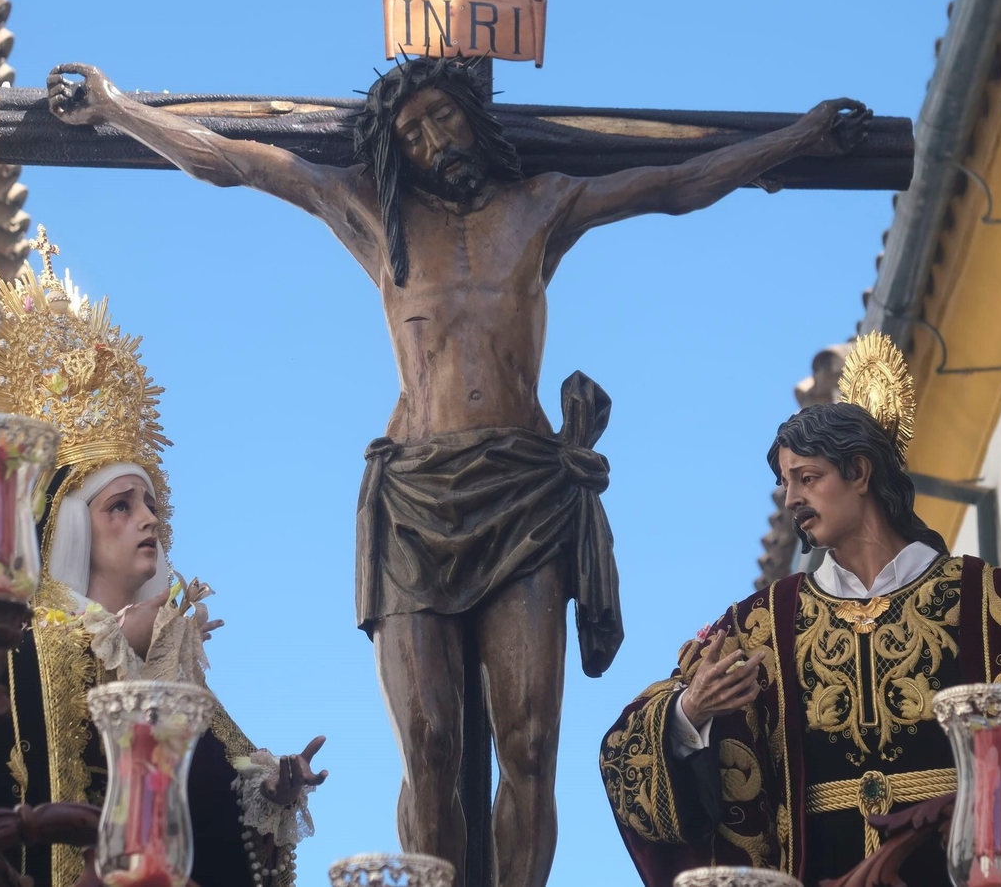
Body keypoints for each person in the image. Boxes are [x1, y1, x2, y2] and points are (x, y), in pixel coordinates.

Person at [46, 53, 869, 887]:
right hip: (415, 497)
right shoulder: (371, 212)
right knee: (430, 744)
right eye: (412, 132)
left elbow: (675, 181)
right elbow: (236, 161)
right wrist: (116, 107)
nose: (435, 139)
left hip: (524, 490)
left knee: (530, 744)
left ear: (476, 118)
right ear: (392, 152)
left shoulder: (541, 206)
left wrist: (795, 138)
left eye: (445, 117)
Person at [600, 334, 1001, 887]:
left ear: (860, 473)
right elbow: (625, 751)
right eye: (785, 483)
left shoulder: (993, 600)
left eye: (808, 478)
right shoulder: (761, 625)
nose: (791, 500)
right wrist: (690, 711)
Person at [0, 237, 327, 887]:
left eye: (149, 502)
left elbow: (217, 828)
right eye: (120, 505)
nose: (148, 518)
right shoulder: (2, 645)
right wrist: (105, 644)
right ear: (68, 530)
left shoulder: (174, 669)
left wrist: (273, 792)